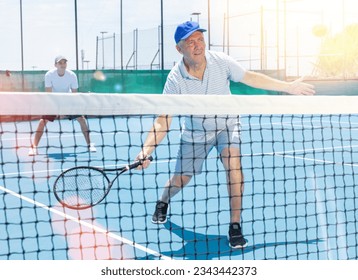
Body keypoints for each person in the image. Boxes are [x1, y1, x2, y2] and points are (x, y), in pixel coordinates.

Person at [135, 21, 315, 249]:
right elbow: (163, 119)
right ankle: (163, 200)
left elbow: (250, 77)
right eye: (190, 42)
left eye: (200, 39)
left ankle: (235, 225)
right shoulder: (175, 79)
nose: (197, 45)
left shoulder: (221, 62)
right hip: (196, 133)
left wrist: (287, 86)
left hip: (227, 124)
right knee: (182, 179)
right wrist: (145, 150)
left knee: (234, 166)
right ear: (179, 49)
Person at [29, 55, 96, 156]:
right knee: (42, 122)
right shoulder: (49, 75)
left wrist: (67, 108)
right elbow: (49, 94)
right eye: (60, 63)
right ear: (55, 65)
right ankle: (34, 147)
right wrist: (57, 109)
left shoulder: (72, 75)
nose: (62, 65)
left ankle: (90, 144)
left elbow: (74, 94)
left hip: (68, 100)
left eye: (64, 62)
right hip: (53, 100)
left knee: (81, 119)